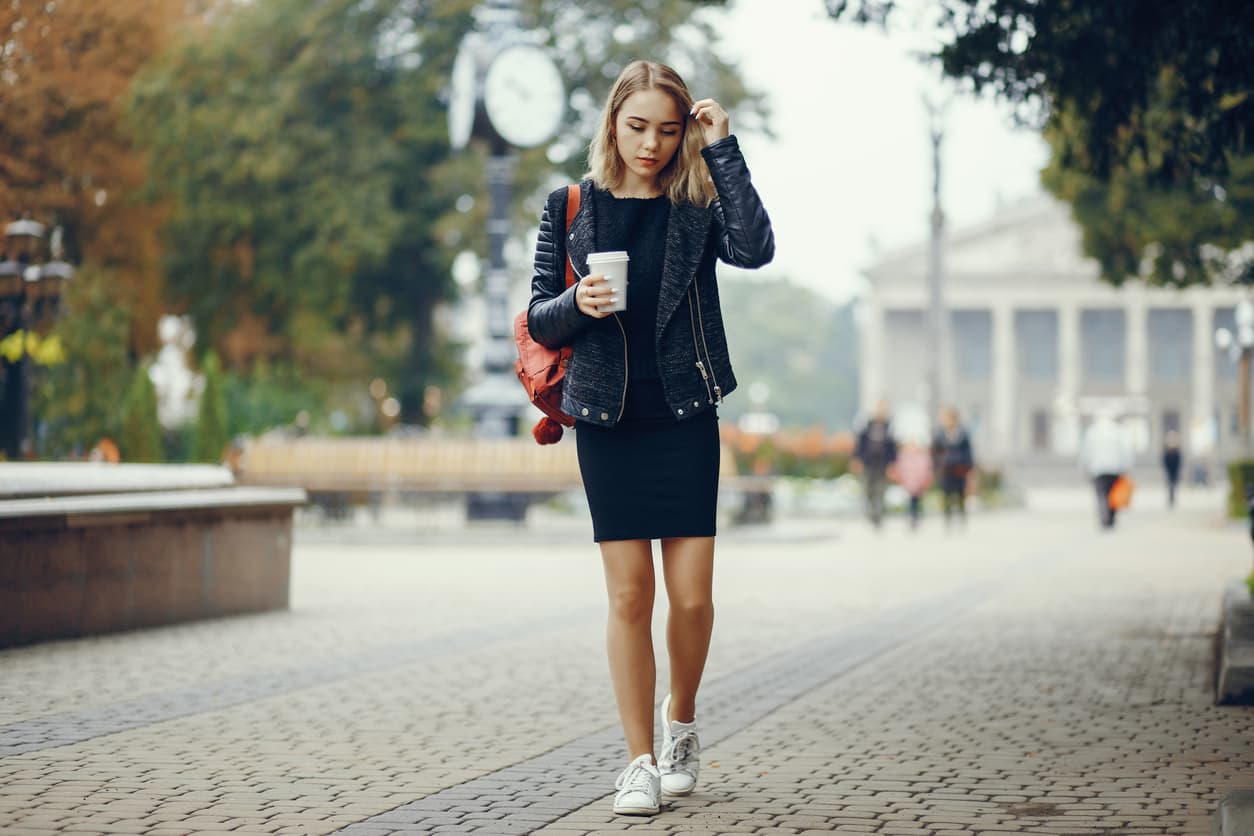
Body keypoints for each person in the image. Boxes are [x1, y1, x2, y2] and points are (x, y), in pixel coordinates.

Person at [526, 60, 774, 817]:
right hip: (609, 419)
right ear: (612, 124)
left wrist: (721, 149)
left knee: (692, 600)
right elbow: (538, 315)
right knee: (631, 597)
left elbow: (756, 248)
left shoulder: (695, 200)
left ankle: (681, 723)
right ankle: (636, 760)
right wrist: (579, 302)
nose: (653, 144)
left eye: (669, 130)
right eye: (638, 127)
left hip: (685, 412)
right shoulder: (572, 206)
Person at [1079, 410, 1134, 529]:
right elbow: (1126, 450)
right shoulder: (1118, 431)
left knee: (1102, 495)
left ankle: (1105, 517)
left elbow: (1085, 452)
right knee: (1113, 494)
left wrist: (1084, 468)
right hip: (1116, 469)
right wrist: (1127, 467)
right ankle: (1111, 517)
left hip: (1098, 469)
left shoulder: (1092, 432)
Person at [851, 401, 897, 529]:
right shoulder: (866, 426)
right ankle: (871, 512)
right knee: (868, 489)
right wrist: (857, 460)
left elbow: (893, 448)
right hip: (868, 463)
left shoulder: (889, 428)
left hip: (883, 464)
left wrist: (892, 464)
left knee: (881, 490)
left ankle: (878, 515)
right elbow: (859, 445)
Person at [932, 406, 974, 528]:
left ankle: (962, 516)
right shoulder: (940, 434)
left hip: (960, 468)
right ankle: (947, 518)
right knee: (946, 494)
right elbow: (935, 452)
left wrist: (969, 466)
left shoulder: (963, 433)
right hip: (946, 469)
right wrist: (937, 466)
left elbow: (968, 451)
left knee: (961, 494)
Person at [894, 437, 933, 530]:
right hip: (908, 483)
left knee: (916, 501)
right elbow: (900, 469)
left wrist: (924, 480)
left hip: (919, 483)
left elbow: (926, 469)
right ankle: (911, 518)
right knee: (910, 502)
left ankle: (916, 517)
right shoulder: (903, 456)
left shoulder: (922, 456)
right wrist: (900, 478)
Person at [1162, 430, 1182, 508]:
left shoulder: (1177, 450)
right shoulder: (1167, 450)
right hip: (1169, 470)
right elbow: (1165, 460)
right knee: (1170, 485)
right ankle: (1171, 498)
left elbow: (1179, 460)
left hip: (1175, 470)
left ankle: (1172, 498)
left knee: (1173, 484)